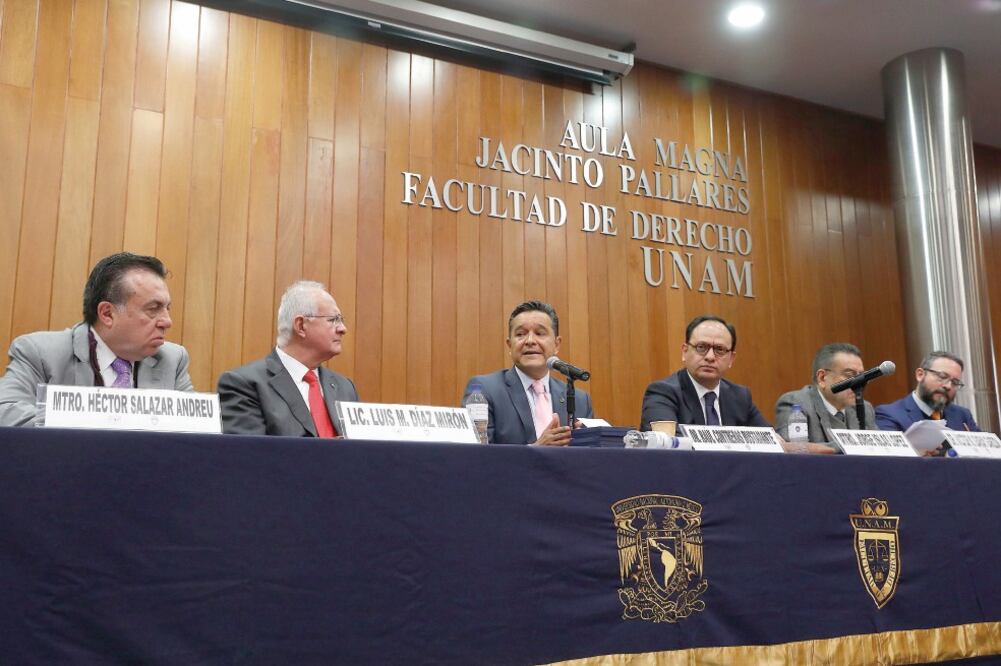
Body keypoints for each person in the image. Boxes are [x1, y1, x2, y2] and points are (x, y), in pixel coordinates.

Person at [0, 252, 193, 427]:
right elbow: (6, 412)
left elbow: (196, 428)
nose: (167, 322)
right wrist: (102, 419)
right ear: (107, 313)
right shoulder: (40, 353)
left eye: (167, 308)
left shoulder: (172, 359)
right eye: (153, 308)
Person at [217, 281, 358, 437]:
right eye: (333, 320)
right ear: (301, 325)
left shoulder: (345, 388)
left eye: (341, 320)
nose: (342, 329)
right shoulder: (244, 385)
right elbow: (250, 455)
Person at [463, 300, 593, 445]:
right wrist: (535, 450)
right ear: (510, 345)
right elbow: (475, 457)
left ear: (557, 344)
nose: (530, 341)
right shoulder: (484, 391)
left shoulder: (579, 400)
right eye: (520, 334)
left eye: (540, 333)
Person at [640, 315, 769, 431]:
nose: (710, 357)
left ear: (731, 359)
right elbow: (667, 442)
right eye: (701, 347)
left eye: (720, 349)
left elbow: (772, 441)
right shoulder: (663, 392)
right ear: (684, 352)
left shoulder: (740, 397)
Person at [774, 343, 877, 452]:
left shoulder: (865, 408)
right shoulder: (795, 403)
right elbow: (792, 450)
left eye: (861, 376)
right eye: (849, 375)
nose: (859, 383)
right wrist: (857, 444)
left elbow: (879, 447)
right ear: (822, 378)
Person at [875, 351, 979, 433]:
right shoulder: (890, 414)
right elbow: (891, 458)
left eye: (955, 382)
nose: (948, 386)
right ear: (920, 375)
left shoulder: (962, 415)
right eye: (942, 377)